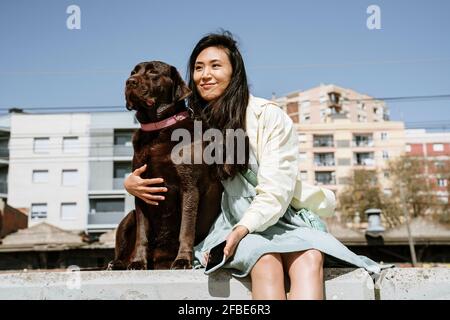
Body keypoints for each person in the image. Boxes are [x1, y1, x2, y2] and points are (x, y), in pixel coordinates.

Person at [124, 31, 388, 300]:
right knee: (265, 261)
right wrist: (129, 182)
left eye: (216, 66)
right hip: (226, 222)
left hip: (279, 216)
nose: (205, 75)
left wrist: (244, 228)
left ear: (234, 72)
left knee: (309, 258)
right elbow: (170, 171)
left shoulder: (268, 115)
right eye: (198, 67)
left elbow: (277, 188)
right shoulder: (190, 124)